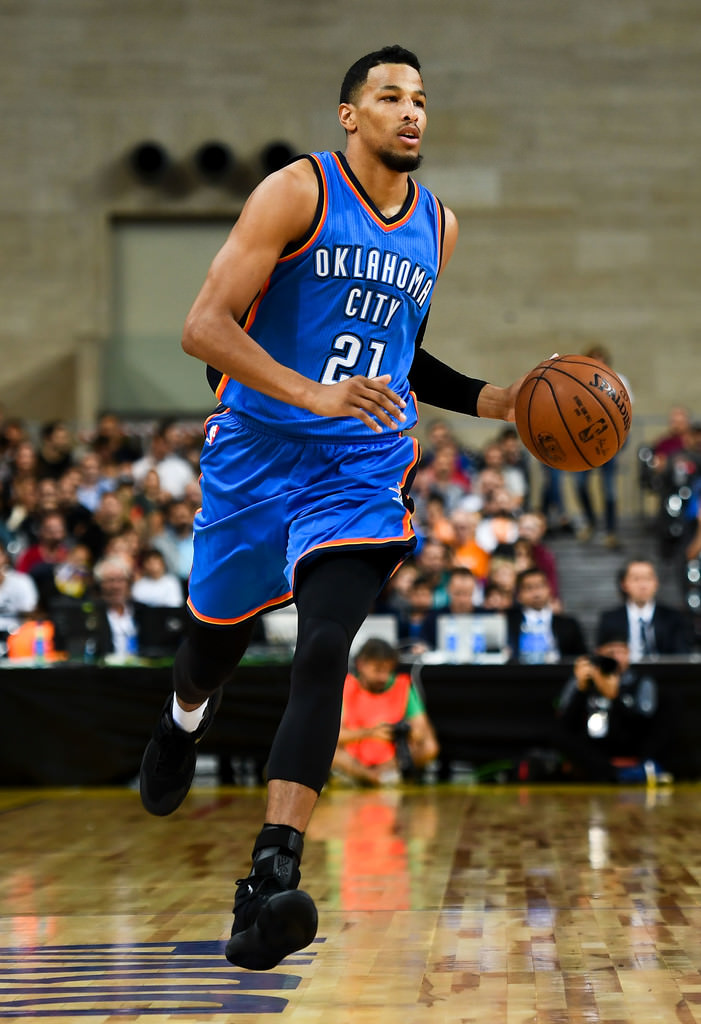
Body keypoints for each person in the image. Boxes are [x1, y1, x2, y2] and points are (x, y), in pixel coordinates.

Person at [138, 45, 526, 972]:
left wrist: (495, 399)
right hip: (259, 452)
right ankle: (185, 712)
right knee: (213, 642)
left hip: (360, 465)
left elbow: (403, 356)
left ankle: (271, 872)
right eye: (389, 97)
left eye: (421, 99)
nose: (411, 112)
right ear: (349, 116)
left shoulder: (438, 225)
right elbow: (202, 327)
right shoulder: (296, 192)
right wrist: (307, 393)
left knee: (323, 652)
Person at [553, 636, 678, 782]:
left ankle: (624, 771)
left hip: (628, 742)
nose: (617, 658)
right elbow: (565, 722)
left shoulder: (641, 681)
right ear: (598, 653)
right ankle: (615, 773)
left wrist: (615, 697)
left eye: (622, 652)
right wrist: (582, 689)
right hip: (594, 746)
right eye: (611, 652)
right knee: (560, 735)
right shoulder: (583, 679)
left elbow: (643, 723)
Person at [332, 637, 439, 785]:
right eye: (377, 670)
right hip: (354, 758)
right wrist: (370, 733)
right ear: (361, 664)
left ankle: (379, 774)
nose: (383, 676)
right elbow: (334, 735)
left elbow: (422, 733)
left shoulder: (402, 686)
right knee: (328, 750)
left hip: (392, 759)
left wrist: (401, 731)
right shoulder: (346, 687)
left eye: (388, 670)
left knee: (429, 746)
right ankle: (368, 776)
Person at [572, 345, 632, 549]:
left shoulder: (619, 380)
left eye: (601, 359)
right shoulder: (576, 380)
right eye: (594, 358)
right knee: (579, 485)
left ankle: (611, 532)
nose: (598, 362)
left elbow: (627, 415)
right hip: (584, 442)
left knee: (610, 491)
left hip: (609, 443)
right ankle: (590, 523)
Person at [596, 557, 692, 657]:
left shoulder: (673, 618)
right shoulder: (610, 620)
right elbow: (602, 657)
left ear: (656, 583)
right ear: (624, 584)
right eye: (636, 579)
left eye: (648, 578)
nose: (642, 585)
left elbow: (682, 657)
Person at [507, 566, 587, 663]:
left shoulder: (569, 625)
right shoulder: (508, 623)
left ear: (549, 589)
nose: (536, 593)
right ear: (519, 595)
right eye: (529, 588)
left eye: (540, 586)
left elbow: (581, 658)